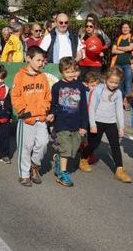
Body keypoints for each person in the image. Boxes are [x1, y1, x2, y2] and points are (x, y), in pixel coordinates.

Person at [79, 68, 132, 183]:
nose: (113, 85)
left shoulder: (118, 93)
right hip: (97, 121)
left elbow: (119, 110)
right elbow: (92, 107)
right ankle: (83, 159)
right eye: (111, 82)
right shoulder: (98, 89)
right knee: (94, 143)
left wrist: (121, 127)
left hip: (111, 122)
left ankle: (119, 169)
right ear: (106, 79)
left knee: (115, 145)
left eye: (116, 83)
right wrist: (92, 124)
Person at [11, 46, 51, 187]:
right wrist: (24, 113)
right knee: (26, 147)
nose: (41, 63)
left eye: (42, 60)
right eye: (38, 60)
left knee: (43, 143)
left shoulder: (43, 76)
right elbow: (15, 96)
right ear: (28, 58)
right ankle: (24, 174)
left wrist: (45, 109)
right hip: (27, 119)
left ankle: (35, 165)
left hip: (41, 118)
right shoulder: (20, 76)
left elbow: (47, 96)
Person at [49, 57, 88, 187]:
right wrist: (52, 114)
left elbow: (83, 107)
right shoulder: (57, 87)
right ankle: (63, 174)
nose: (70, 74)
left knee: (72, 149)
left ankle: (59, 159)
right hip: (62, 123)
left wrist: (84, 125)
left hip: (76, 123)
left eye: (73, 71)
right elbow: (53, 105)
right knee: (66, 149)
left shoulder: (80, 86)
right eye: (67, 72)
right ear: (62, 72)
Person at [110, 22, 133, 100]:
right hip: (117, 64)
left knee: (128, 84)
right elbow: (113, 50)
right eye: (123, 27)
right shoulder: (118, 38)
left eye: (126, 27)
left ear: (130, 28)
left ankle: (127, 102)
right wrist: (125, 49)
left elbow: (130, 48)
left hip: (128, 65)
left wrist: (118, 48)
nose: (125, 29)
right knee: (118, 83)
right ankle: (119, 101)